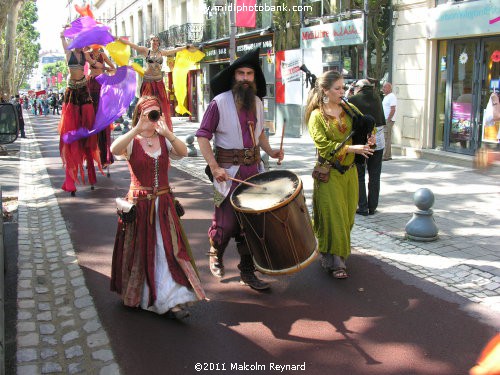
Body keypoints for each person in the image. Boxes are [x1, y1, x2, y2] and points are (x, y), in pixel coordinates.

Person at [109, 95, 206, 319]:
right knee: (142, 251)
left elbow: (183, 152)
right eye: (148, 114)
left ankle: (171, 300)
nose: (152, 118)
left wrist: (167, 132)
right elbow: (115, 149)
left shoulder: (164, 139)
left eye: (155, 113)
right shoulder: (131, 142)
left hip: (164, 205)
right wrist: (136, 128)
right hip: (140, 206)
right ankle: (147, 296)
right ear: (140, 115)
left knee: (167, 250)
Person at [196, 48, 284, 291]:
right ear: (234, 77)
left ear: (254, 78)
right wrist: (214, 168)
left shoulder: (257, 102)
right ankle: (215, 252)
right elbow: (203, 136)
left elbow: (260, 132)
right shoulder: (218, 103)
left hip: (253, 172)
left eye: (249, 74)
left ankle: (248, 271)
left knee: (252, 225)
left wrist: (271, 150)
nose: (245, 78)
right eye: (241, 74)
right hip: (225, 174)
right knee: (225, 224)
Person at [305, 70, 374, 279]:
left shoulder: (349, 108)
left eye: (343, 87)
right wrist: (353, 149)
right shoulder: (317, 116)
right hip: (330, 173)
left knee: (346, 218)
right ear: (325, 91)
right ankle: (336, 261)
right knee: (332, 217)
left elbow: (366, 128)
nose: (343, 91)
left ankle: (333, 253)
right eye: (338, 88)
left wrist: (369, 138)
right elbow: (324, 147)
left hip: (350, 173)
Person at [59, 29, 102, 196]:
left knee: (89, 130)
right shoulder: (69, 52)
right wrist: (64, 32)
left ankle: (91, 173)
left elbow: (96, 64)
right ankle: (70, 180)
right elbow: (62, 38)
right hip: (71, 92)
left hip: (84, 90)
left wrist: (101, 65)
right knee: (70, 129)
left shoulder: (85, 54)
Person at [118, 34, 192, 131]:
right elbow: (133, 46)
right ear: (150, 41)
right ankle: (143, 127)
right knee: (147, 104)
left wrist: (186, 47)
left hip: (159, 81)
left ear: (159, 42)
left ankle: (161, 127)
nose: (155, 42)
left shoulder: (162, 52)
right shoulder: (146, 51)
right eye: (153, 40)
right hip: (148, 81)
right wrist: (121, 40)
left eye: (157, 40)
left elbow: (174, 50)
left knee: (162, 105)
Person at [348, 79, 386, 216]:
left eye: (355, 87)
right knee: (375, 175)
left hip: (361, 141)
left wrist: (350, 92)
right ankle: (373, 206)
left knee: (359, 174)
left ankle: (362, 206)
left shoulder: (354, 99)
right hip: (379, 140)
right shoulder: (377, 96)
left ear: (359, 87)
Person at [86, 46, 116, 168]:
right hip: (92, 84)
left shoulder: (103, 55)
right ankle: (90, 158)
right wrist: (105, 68)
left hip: (102, 84)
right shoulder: (87, 54)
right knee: (90, 121)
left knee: (103, 122)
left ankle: (104, 157)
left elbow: (113, 67)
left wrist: (110, 71)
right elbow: (93, 63)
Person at [382, 82, 397, 161]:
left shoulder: (392, 96)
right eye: (383, 87)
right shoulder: (386, 96)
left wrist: (388, 119)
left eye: (385, 87)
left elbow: (393, 109)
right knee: (386, 137)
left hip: (388, 120)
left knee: (386, 138)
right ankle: (388, 155)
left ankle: (385, 156)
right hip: (386, 119)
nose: (383, 89)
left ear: (390, 88)